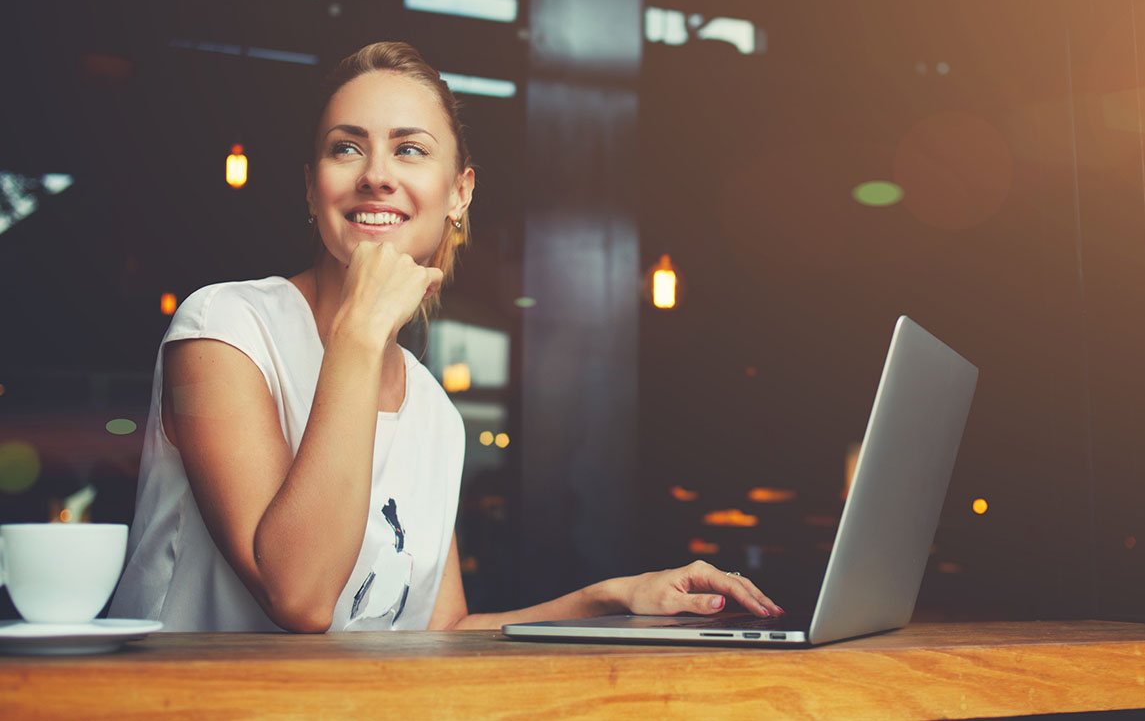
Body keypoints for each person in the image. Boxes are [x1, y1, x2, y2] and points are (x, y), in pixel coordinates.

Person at [110, 42, 783, 632]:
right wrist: (363, 329)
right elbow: (300, 597)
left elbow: (440, 629)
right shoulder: (221, 329)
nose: (376, 173)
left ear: (458, 192)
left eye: (410, 149)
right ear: (312, 191)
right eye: (346, 147)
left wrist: (609, 598)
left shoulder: (433, 412)